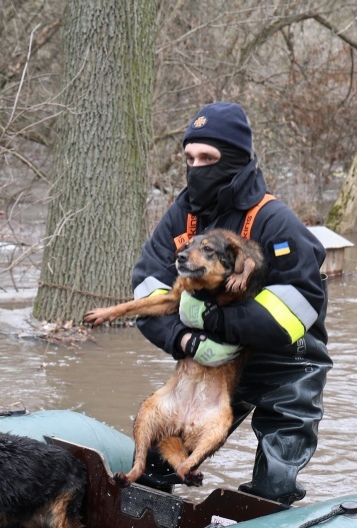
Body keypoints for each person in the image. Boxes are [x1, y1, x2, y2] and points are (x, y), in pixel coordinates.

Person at [131, 102, 332, 505]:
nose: (196, 168)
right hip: (211, 356)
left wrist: (214, 319)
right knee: (156, 457)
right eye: (189, 158)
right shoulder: (181, 216)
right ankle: (148, 516)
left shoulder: (274, 220)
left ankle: (265, 514)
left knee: (274, 483)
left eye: (207, 158)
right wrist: (183, 340)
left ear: (237, 159)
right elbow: (147, 286)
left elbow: (299, 304)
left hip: (286, 359)